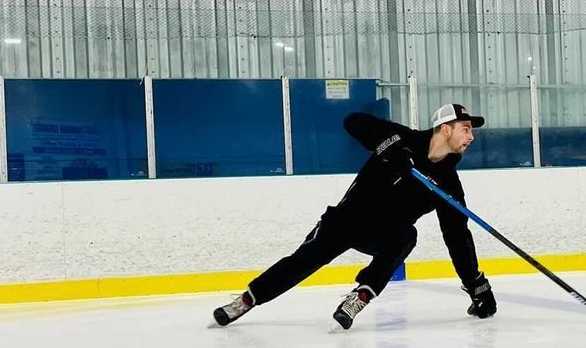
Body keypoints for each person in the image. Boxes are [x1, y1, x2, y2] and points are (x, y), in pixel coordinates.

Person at [212, 103, 498, 330]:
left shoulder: (447, 184)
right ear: (445, 129)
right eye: (465, 129)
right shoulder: (401, 139)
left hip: (382, 233)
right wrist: (392, 150)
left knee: (406, 236)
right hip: (345, 220)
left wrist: (476, 284)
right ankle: (248, 299)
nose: (471, 137)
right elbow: (353, 121)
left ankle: (361, 295)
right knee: (303, 260)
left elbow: (457, 236)